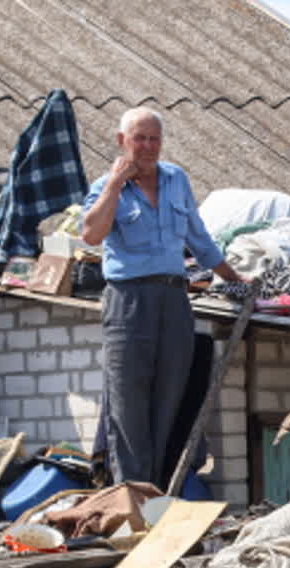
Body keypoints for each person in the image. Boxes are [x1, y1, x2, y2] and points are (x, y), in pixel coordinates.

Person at [81, 107, 246, 485]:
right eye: (139, 138)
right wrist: (113, 185)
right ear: (122, 141)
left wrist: (235, 278)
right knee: (128, 400)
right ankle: (130, 492)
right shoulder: (105, 187)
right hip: (129, 301)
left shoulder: (176, 179)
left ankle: (157, 490)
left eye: (154, 139)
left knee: (170, 394)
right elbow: (91, 234)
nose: (148, 146)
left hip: (174, 299)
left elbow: (198, 237)